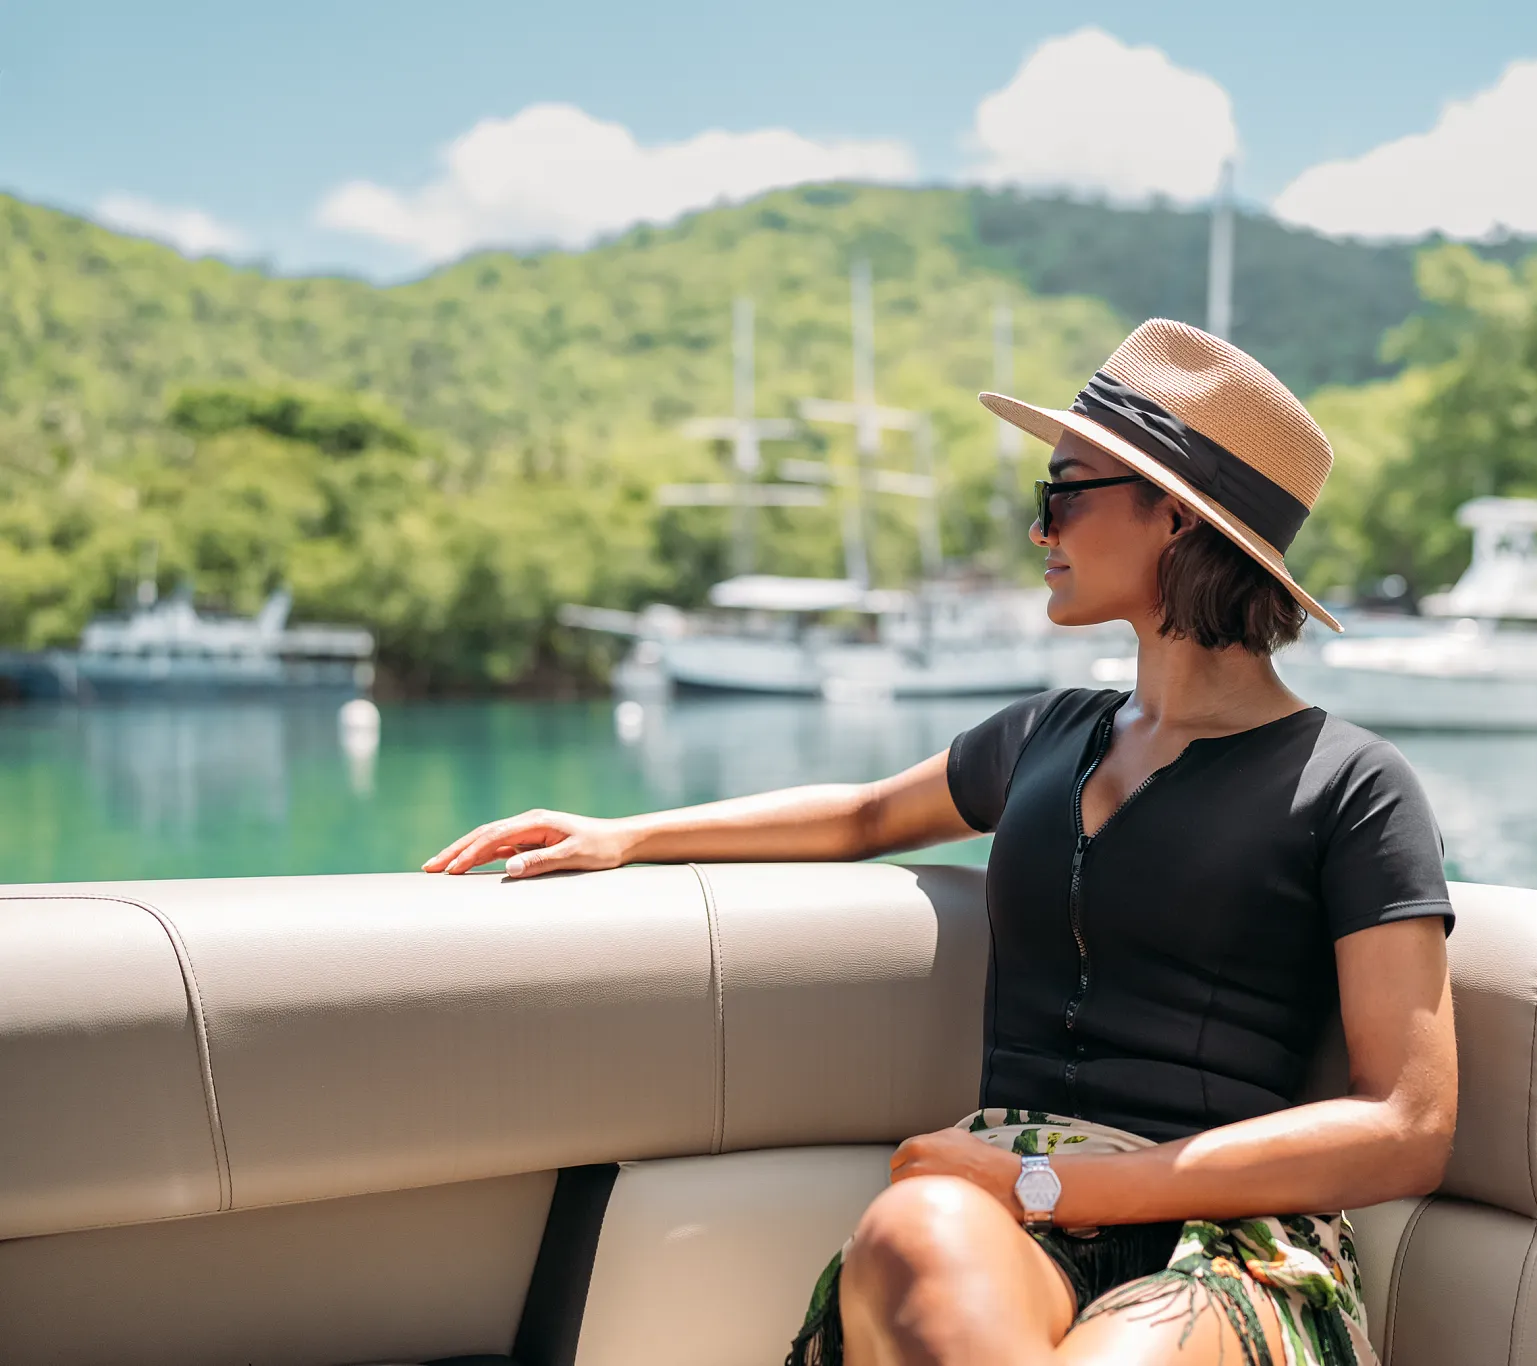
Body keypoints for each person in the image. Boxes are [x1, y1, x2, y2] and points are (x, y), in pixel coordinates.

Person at [424, 320, 1457, 1366]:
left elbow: (1407, 1121)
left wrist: (1067, 1186)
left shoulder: (1350, 785)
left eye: (1061, 492)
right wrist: (628, 834)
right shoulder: (1046, 736)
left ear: (1176, 519)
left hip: (1223, 1242)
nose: (1035, 529)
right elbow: (866, 815)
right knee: (910, 1233)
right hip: (998, 1208)